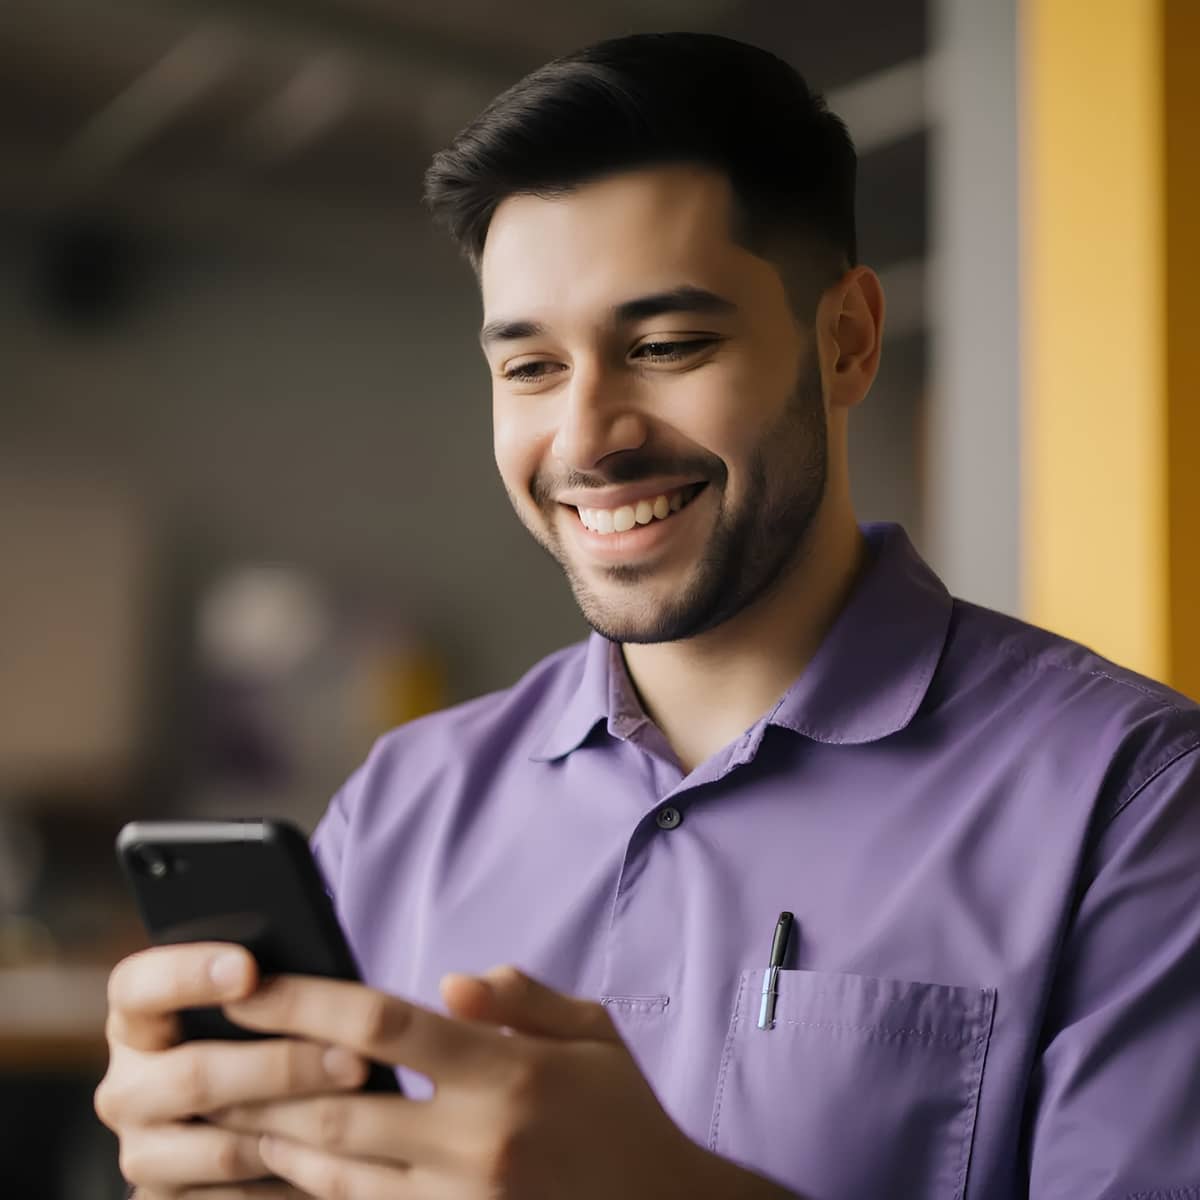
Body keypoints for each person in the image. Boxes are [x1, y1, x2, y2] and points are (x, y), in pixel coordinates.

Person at [95, 31, 1200, 1200]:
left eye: (666, 345)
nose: (586, 438)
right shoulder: (398, 808)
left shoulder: (1133, 802)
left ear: (847, 341)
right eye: (530, 368)